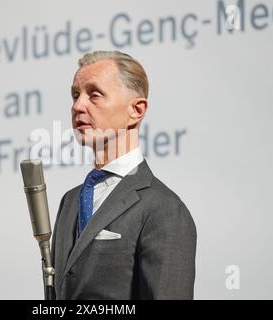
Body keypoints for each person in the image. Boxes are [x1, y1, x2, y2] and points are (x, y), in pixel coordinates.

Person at [51, 50, 197, 300]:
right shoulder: (69, 201)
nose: (77, 106)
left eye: (94, 94)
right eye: (75, 95)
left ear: (136, 110)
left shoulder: (164, 208)